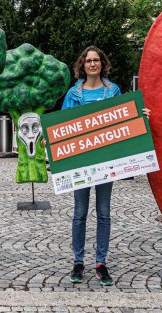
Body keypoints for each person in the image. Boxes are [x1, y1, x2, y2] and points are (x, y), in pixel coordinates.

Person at [62, 46, 121, 286]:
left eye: (96, 60)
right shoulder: (73, 93)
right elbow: (64, 125)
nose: (93, 64)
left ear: (102, 63)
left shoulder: (113, 90)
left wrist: (141, 114)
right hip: (81, 163)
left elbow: (122, 118)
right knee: (79, 213)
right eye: (89, 61)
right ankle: (78, 262)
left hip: (105, 162)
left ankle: (101, 263)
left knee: (104, 213)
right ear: (83, 65)